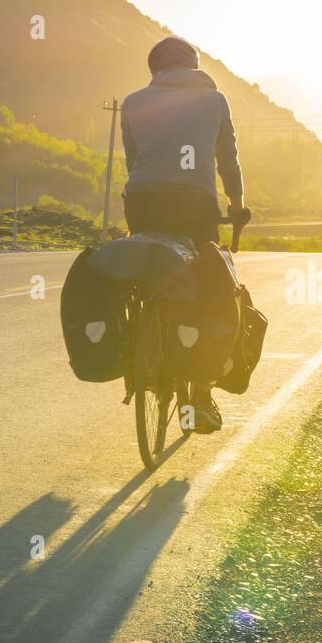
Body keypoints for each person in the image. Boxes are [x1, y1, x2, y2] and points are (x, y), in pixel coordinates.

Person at [120, 36, 245, 433]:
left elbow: (134, 160)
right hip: (194, 203)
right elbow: (228, 158)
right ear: (192, 66)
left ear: (155, 69)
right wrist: (237, 205)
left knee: (148, 268)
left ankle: (144, 343)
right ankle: (202, 395)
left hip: (141, 200)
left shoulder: (134, 100)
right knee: (208, 283)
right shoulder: (215, 99)